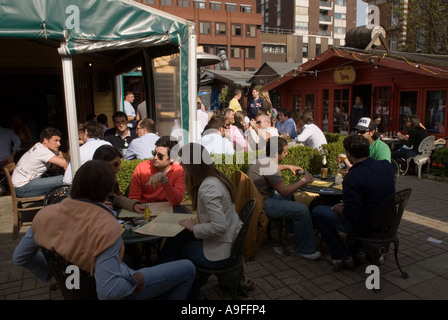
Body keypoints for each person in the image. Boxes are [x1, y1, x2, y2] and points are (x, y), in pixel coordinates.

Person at [12, 160, 196, 300]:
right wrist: (136, 280)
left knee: (130, 260)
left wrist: (56, 273)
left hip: (73, 287)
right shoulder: (106, 226)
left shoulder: (44, 215)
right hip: (114, 288)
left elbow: (20, 257)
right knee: (187, 268)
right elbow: (109, 292)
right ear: (106, 190)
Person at [311, 134, 395, 267]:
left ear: (348, 154)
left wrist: (337, 208)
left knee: (318, 211)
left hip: (365, 225)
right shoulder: (386, 166)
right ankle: (358, 250)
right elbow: (372, 193)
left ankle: (340, 256)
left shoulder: (353, 176)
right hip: (388, 222)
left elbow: (352, 214)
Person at [157, 143, 242, 271]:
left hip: (220, 253)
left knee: (175, 249)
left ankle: (161, 276)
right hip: (228, 243)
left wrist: (194, 227)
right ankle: (159, 273)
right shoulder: (215, 178)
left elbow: (220, 226)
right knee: (176, 238)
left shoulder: (208, 187)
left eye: (183, 162)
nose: (180, 165)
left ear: (192, 166)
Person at [246, 136, 321, 260]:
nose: (286, 154)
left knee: (292, 196)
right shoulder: (269, 167)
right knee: (302, 210)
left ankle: (291, 233)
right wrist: (304, 180)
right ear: (277, 153)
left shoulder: (264, 159)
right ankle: (306, 250)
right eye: (285, 152)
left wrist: (288, 166)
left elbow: (274, 168)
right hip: (264, 203)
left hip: (256, 199)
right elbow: (284, 191)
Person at [128, 135, 185, 206]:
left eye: (160, 156)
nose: (155, 157)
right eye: (154, 153)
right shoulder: (141, 168)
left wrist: (165, 181)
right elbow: (134, 198)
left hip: (169, 210)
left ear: (172, 158)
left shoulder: (179, 171)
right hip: (145, 210)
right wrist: (136, 206)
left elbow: (176, 201)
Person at [12, 127, 68, 198]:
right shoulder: (42, 151)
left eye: (59, 141)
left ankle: (59, 198)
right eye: (55, 141)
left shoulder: (40, 146)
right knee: (63, 179)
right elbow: (64, 163)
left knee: (61, 180)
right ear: (45, 140)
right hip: (23, 188)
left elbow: (62, 155)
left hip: (24, 183)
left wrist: (68, 158)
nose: (59, 144)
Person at [93, 145, 146, 214]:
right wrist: (96, 207)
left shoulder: (110, 177)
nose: (119, 168)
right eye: (115, 165)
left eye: (119, 164)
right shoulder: (87, 180)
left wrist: (133, 205)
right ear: (101, 164)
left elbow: (115, 198)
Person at [63, 121, 111, 185]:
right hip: (107, 186)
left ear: (85, 132)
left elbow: (67, 180)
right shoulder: (109, 145)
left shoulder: (80, 151)